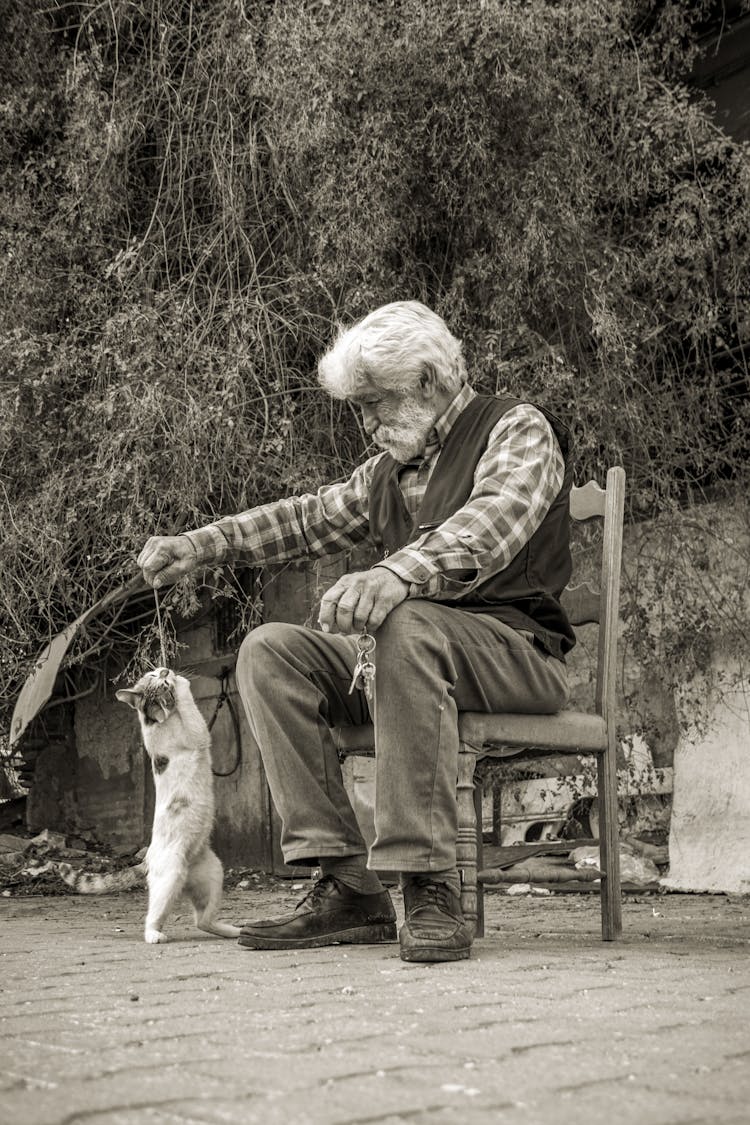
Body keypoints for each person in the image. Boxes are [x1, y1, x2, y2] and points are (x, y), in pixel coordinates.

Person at [138, 300, 575, 963]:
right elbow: (305, 519)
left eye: (374, 402)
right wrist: (200, 544)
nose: (366, 422)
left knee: (403, 622)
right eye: (359, 408)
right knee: (270, 653)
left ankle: (429, 880)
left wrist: (398, 574)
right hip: (412, 655)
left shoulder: (516, 430)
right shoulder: (385, 474)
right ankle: (347, 883)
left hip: (515, 653)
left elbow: (494, 519)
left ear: (428, 381)